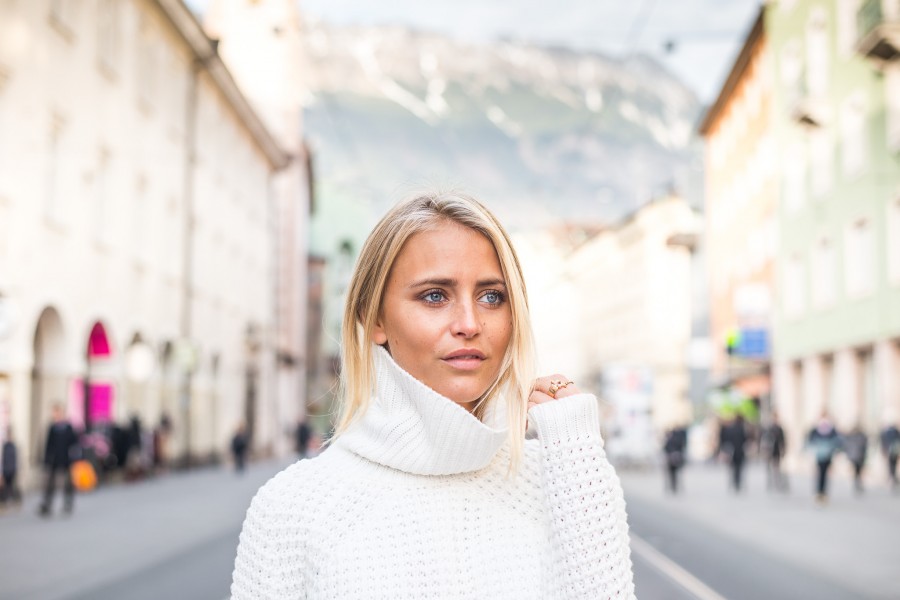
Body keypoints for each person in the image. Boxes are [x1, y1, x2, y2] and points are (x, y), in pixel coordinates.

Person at [230, 190, 636, 598]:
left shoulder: (564, 479)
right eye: (435, 296)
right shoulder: (293, 508)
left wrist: (581, 468)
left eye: (491, 296)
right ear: (374, 319)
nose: (469, 323)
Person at [38, 403, 79, 517]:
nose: (55, 415)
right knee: (50, 483)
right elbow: (48, 445)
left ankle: (68, 503)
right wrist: (46, 460)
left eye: (57, 412)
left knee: (67, 483)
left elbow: (74, 443)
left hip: (66, 460)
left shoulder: (68, 427)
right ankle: (47, 504)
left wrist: (74, 458)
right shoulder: (52, 428)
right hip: (54, 460)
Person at [807, 412, 841, 505]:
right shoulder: (817, 429)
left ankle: (822, 492)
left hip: (827, 455)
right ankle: (820, 492)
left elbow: (837, 441)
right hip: (820, 455)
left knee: (824, 474)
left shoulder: (830, 429)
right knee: (821, 474)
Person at [719, 413, 748, 493]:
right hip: (739, 452)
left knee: (733, 469)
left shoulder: (730, 429)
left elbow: (725, 441)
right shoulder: (741, 429)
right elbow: (745, 440)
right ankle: (737, 483)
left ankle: (734, 483)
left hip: (732, 452)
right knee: (738, 469)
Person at [761, 412, 787, 492]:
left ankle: (777, 482)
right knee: (769, 467)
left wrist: (783, 450)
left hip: (777, 450)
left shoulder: (779, 429)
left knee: (777, 467)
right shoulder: (769, 429)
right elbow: (765, 440)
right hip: (770, 451)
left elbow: (782, 440)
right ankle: (770, 482)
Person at [843, 425, 868, 495]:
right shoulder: (859, 436)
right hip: (858, 457)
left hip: (856, 457)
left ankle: (857, 482)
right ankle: (857, 482)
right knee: (858, 470)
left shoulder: (856, 436)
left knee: (857, 470)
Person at [663, 426, 687, 494]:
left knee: (673, 474)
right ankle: (674, 487)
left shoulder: (671, 439)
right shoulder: (678, 438)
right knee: (674, 474)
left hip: (673, 458)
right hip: (675, 458)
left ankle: (674, 487)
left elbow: (666, 448)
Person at [1, 428, 21, 506]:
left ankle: (13, 499)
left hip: (12, 469)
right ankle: (6, 500)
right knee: (6, 486)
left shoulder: (13, 446)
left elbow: (15, 458)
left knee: (12, 485)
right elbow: (3, 458)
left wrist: (16, 468)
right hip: (6, 469)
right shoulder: (5, 446)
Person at [880, 423, 899, 491]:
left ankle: (892, 477)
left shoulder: (886, 433)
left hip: (891, 451)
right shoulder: (896, 432)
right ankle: (892, 477)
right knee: (893, 465)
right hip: (894, 451)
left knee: (891, 465)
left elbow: (883, 442)